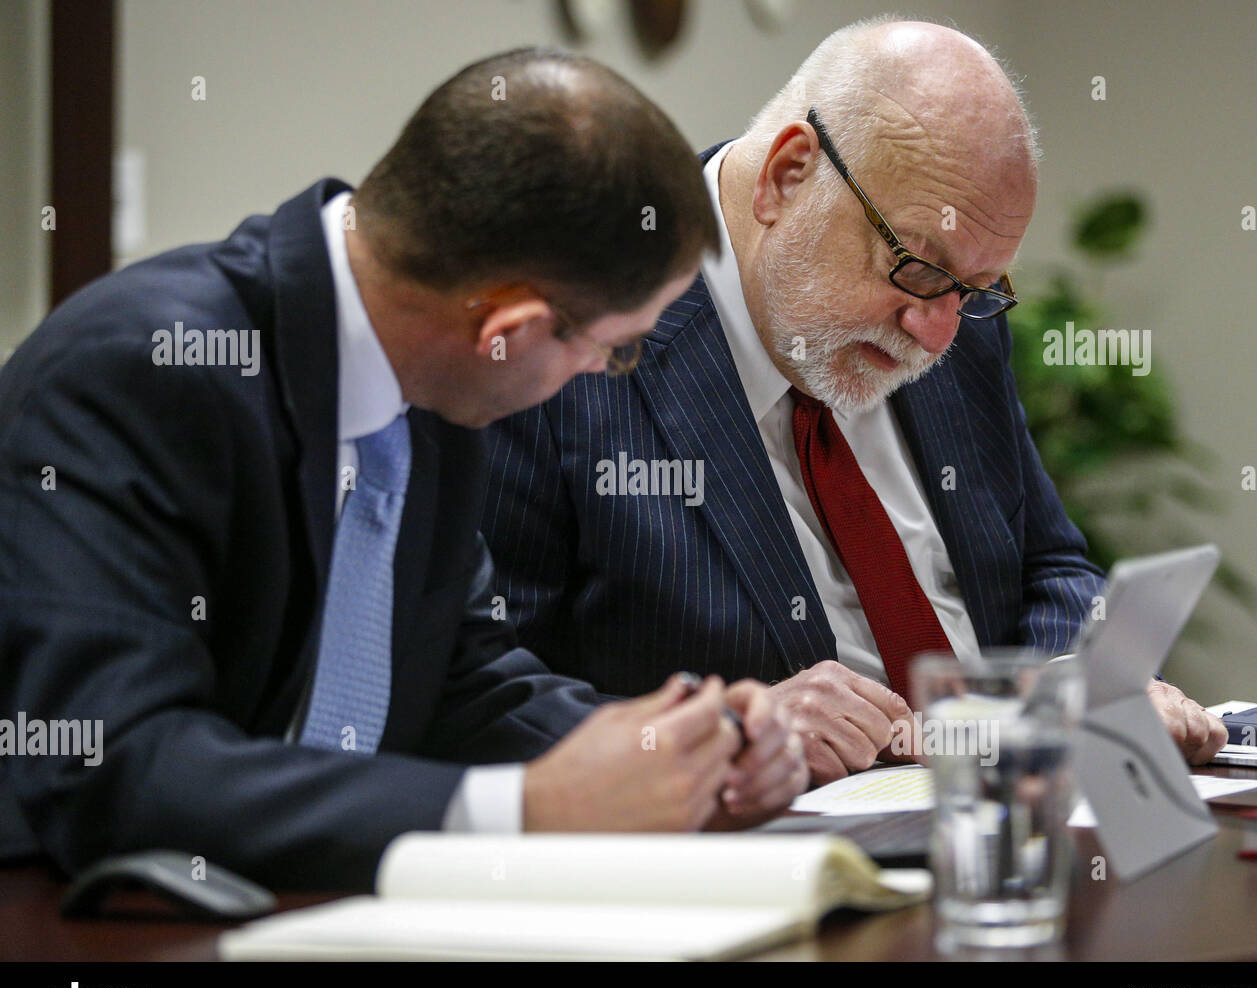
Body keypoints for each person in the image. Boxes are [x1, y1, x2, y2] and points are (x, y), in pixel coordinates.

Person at [0, 48, 808, 891]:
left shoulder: (432, 383)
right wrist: (523, 811)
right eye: (618, 349)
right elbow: (114, 764)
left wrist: (677, 753)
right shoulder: (141, 372)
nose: (608, 375)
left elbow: (464, 684)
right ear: (511, 327)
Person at [481, 20, 1228, 786]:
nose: (936, 335)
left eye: (978, 288)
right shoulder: (568, 334)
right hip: (769, 861)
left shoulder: (955, 313)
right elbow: (488, 696)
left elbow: (1048, 561)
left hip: (1013, 816)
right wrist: (733, 735)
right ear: (788, 173)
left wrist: (1080, 680)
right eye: (913, 266)